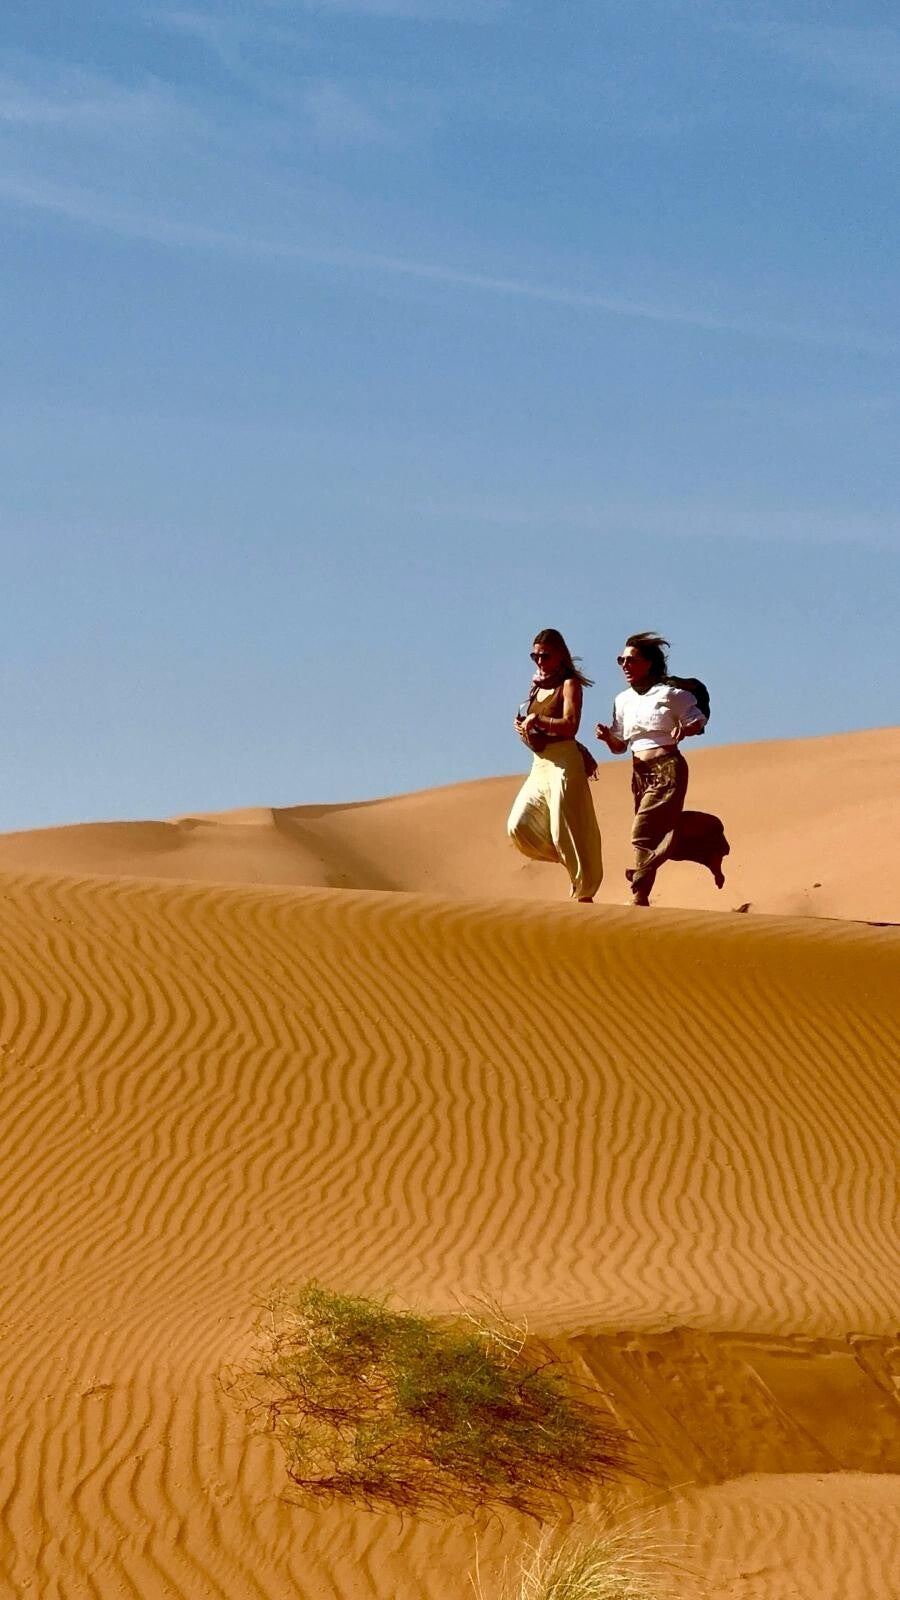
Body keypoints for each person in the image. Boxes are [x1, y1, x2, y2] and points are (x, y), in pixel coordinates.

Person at [595, 632, 729, 907]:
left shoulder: (671, 694)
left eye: (631, 660)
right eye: (621, 660)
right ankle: (707, 837)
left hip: (668, 769)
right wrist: (609, 738)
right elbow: (620, 746)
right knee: (656, 835)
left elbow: (698, 721)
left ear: (649, 663)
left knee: (641, 834)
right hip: (639, 773)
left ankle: (638, 893)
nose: (624, 665)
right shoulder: (622, 700)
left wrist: (686, 728)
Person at [507, 629, 604, 903]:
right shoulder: (536, 685)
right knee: (519, 826)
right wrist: (524, 732)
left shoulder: (569, 684)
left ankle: (583, 892)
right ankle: (578, 864)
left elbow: (570, 725)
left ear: (560, 655)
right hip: (540, 763)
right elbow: (537, 732)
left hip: (564, 763)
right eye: (534, 655)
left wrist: (538, 721)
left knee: (564, 832)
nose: (539, 660)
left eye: (545, 655)